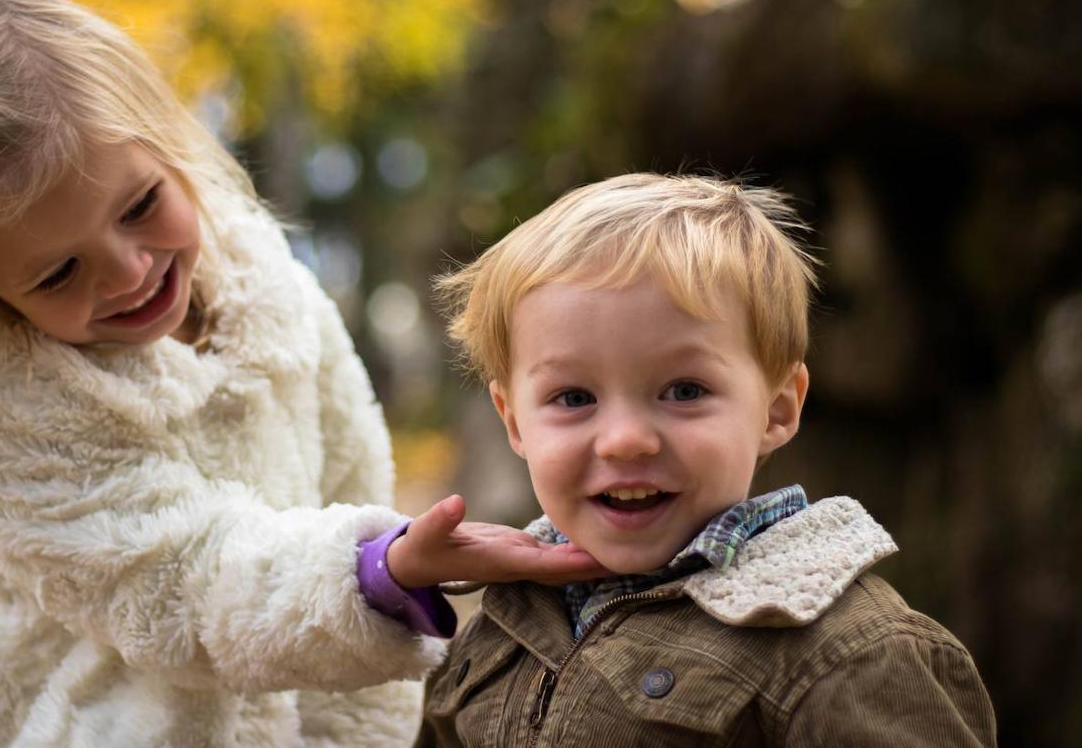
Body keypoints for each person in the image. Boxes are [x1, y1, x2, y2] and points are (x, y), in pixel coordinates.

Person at [0, 0, 607, 747]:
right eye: (58, 274)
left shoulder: (265, 288)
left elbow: (347, 470)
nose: (129, 271)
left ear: (172, 146)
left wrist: (360, 715)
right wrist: (377, 575)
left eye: (140, 206)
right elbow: (182, 587)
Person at [411, 174, 998, 746]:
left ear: (775, 409)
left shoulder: (848, 653)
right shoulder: (505, 618)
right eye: (574, 398)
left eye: (684, 391)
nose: (624, 441)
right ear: (514, 421)